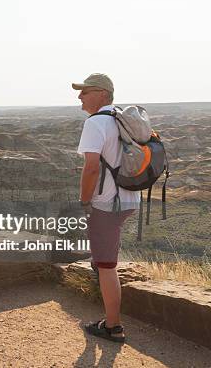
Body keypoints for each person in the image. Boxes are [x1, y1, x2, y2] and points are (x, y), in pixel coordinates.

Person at [72, 73, 140, 343]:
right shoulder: (121, 119)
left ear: (102, 93)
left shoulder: (97, 122)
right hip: (129, 199)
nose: (80, 96)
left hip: (106, 203)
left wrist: (85, 200)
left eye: (84, 91)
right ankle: (109, 316)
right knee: (104, 258)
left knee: (107, 265)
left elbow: (91, 167)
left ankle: (113, 326)